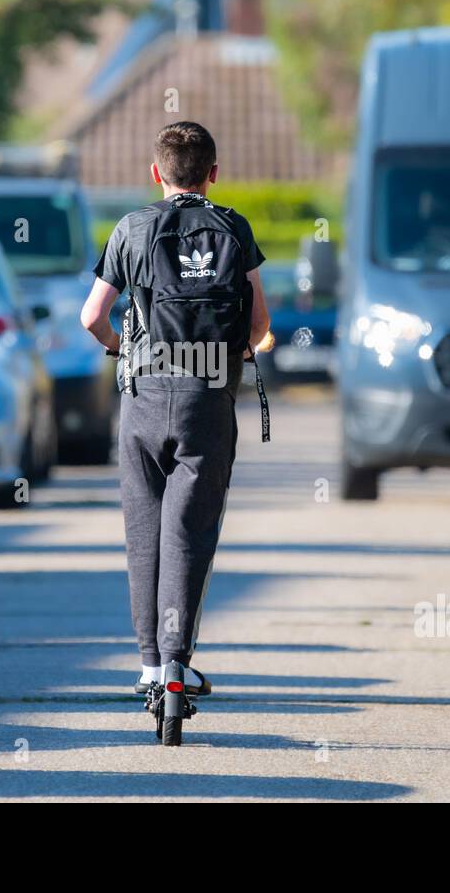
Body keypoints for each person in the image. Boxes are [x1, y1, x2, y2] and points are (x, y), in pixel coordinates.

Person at [80, 121, 273, 695]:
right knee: (189, 532)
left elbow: (92, 316)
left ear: (155, 173)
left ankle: (146, 663)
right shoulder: (234, 228)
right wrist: (231, 351)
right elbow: (260, 325)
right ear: (214, 174)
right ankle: (175, 665)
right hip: (208, 397)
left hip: (143, 396)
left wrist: (123, 350)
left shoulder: (131, 229)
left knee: (145, 532)